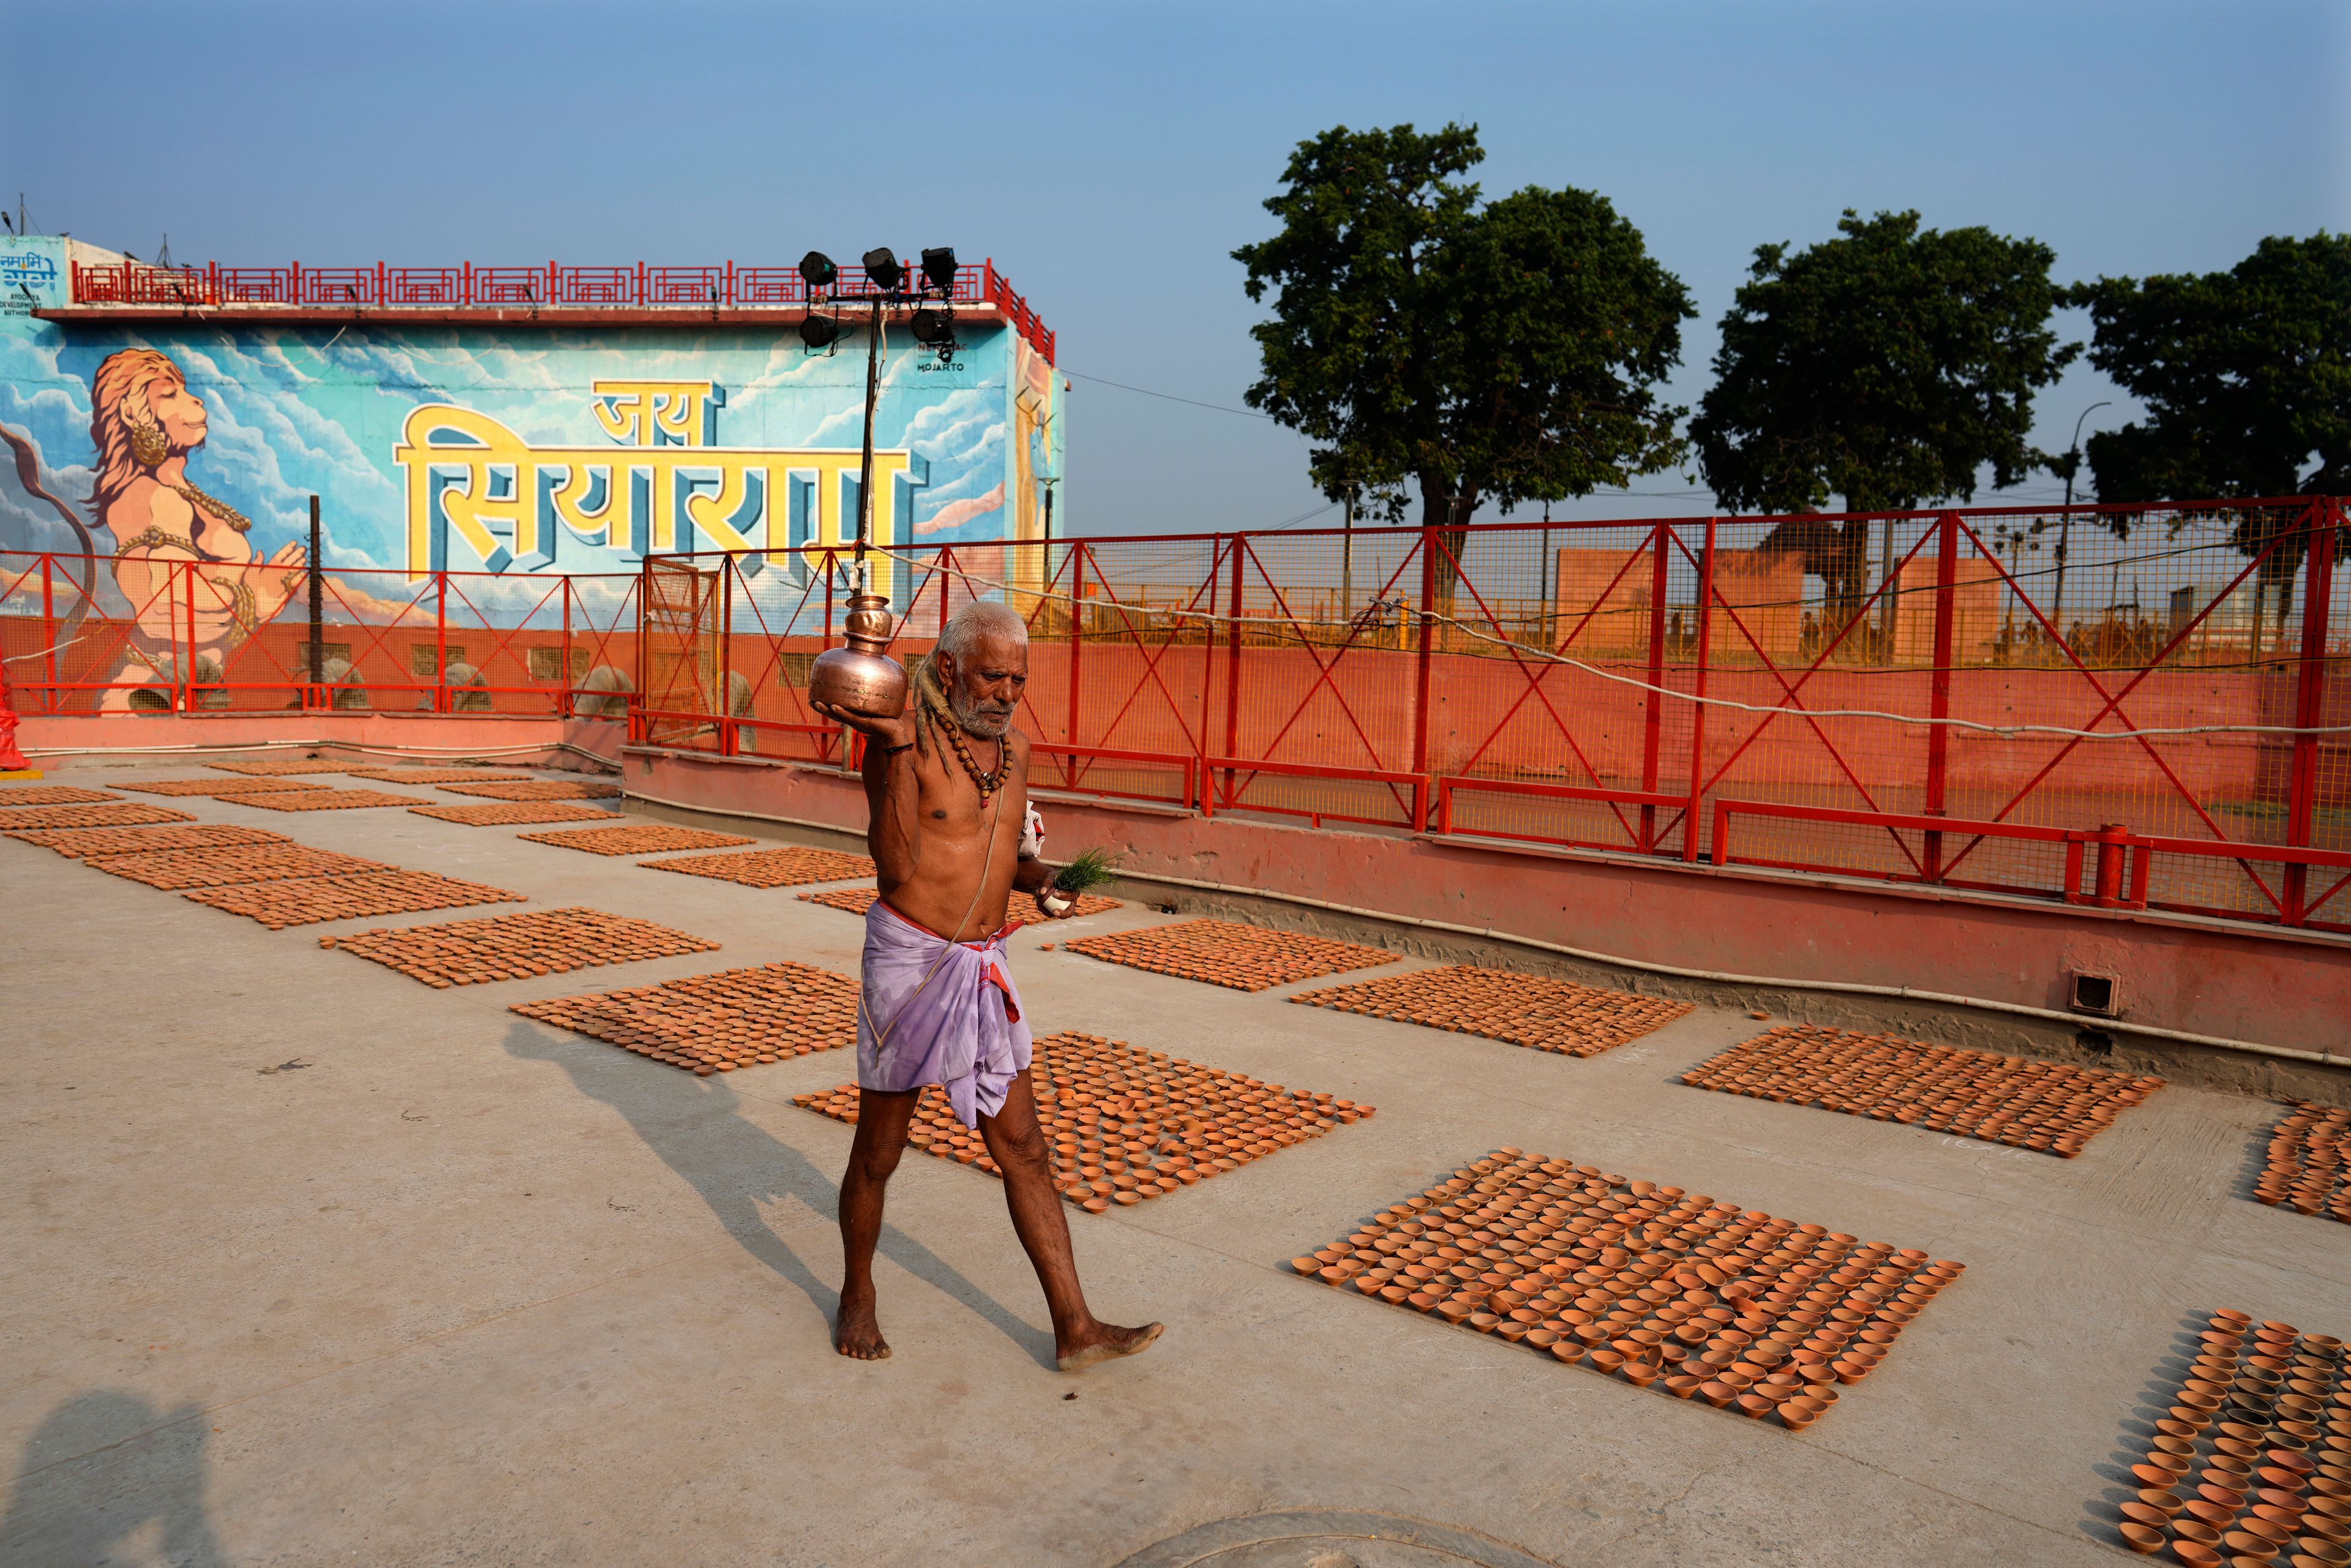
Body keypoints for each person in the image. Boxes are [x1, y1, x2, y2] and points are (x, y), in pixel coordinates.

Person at [810, 598, 1162, 1371]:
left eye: (1018, 680)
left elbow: (1004, 853)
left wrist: (1043, 882)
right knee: (879, 1151)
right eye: (993, 677)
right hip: (910, 963)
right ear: (948, 669)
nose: (1006, 693)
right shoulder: (904, 744)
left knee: (1026, 1148)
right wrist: (897, 749)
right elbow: (897, 864)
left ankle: (1075, 1325)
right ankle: (857, 1295)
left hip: (982, 966)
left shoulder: (1017, 754)